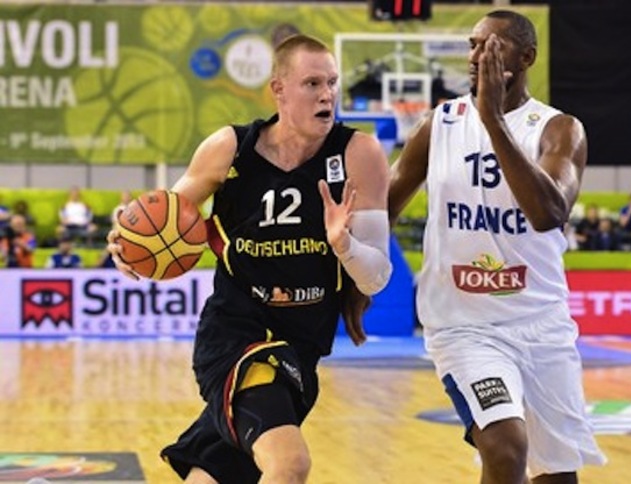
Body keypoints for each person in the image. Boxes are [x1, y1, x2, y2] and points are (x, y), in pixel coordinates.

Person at [107, 34, 391, 483]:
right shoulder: (228, 149)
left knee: (218, 473)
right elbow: (162, 219)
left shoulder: (359, 154)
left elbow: (376, 277)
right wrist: (126, 243)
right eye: (312, 83)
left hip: (301, 346)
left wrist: (345, 247)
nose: (327, 94)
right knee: (289, 463)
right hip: (234, 334)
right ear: (278, 89)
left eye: (332, 83)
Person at [388, 10, 605, 483]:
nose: (475, 57)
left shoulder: (559, 129)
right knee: (505, 449)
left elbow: (548, 211)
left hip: (541, 326)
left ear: (526, 57)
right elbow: (382, 208)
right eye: (471, 45)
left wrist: (492, 120)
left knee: (557, 476)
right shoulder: (437, 125)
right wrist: (354, 276)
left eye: (492, 46)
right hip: (465, 327)